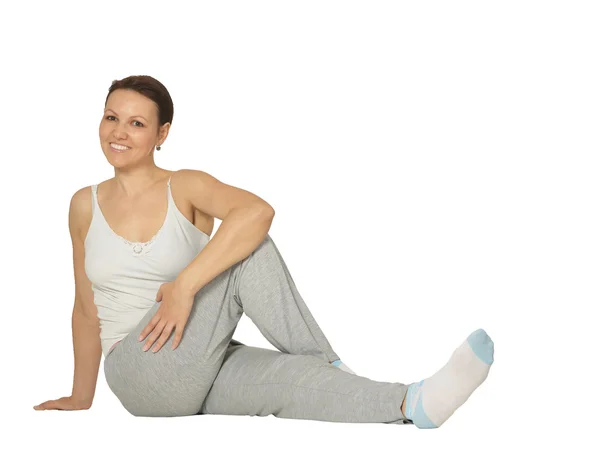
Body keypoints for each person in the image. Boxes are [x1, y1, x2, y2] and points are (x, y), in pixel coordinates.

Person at [32, 75, 494, 428]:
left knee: (287, 383)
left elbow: (257, 212)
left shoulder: (184, 185)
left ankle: (412, 403)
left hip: (196, 362)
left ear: (162, 133)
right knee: (247, 254)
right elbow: (85, 309)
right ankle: (328, 359)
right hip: (136, 372)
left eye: (136, 122)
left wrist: (184, 288)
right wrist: (81, 396)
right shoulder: (82, 204)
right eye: (111, 117)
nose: (119, 131)